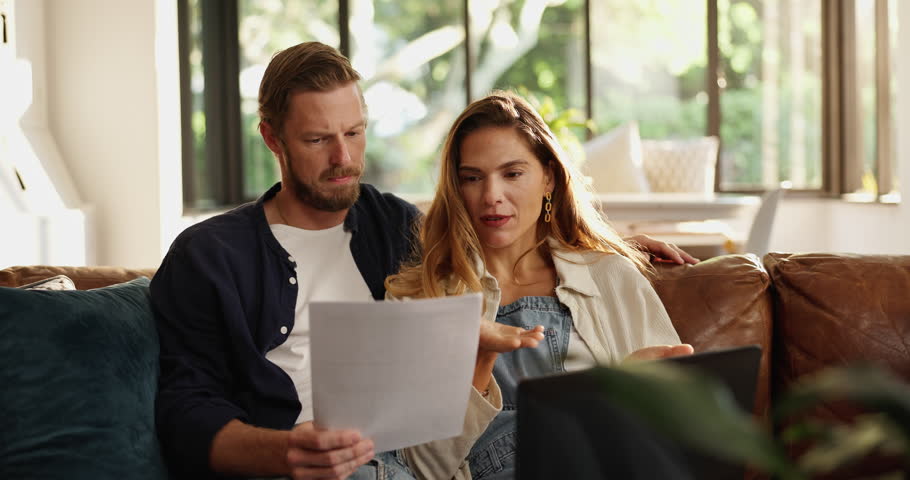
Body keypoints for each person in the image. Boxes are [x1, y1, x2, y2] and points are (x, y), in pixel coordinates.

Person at [151, 41, 695, 480]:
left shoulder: (396, 229)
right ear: (272, 138)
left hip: (409, 459)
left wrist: (611, 244)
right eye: (318, 139)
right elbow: (184, 409)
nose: (344, 158)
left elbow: (500, 223)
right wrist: (282, 453)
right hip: (316, 462)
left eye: (355, 133)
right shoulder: (211, 256)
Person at [385, 90, 694, 479]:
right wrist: (478, 363)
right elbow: (420, 467)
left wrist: (620, 395)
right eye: (472, 178)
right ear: (456, 188)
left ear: (548, 177)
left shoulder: (611, 277)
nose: (491, 196)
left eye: (512, 174)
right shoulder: (418, 297)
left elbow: (681, 433)